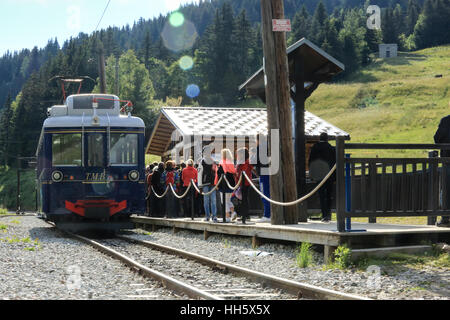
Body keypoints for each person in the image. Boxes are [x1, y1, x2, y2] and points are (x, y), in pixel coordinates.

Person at [309, 133, 336, 223]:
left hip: (319, 176)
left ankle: (324, 215)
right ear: (327, 139)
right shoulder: (332, 149)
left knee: (321, 195)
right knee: (329, 195)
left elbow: (311, 162)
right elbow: (335, 164)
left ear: (319, 138)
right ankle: (328, 214)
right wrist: (335, 177)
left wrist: (312, 175)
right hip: (329, 175)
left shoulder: (315, 148)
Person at [434, 115, 450, 227]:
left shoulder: (445, 121)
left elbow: (437, 138)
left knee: (446, 190)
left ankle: (445, 219)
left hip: (447, 160)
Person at [215, 149, 236, 223]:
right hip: (231, 183)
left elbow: (218, 174)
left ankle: (227, 216)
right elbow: (233, 171)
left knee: (224, 201)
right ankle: (233, 212)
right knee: (228, 200)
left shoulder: (222, 162)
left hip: (223, 183)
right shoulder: (231, 162)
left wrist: (216, 184)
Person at [255, 134, 271, 223]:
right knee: (268, 193)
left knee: (264, 193)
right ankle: (269, 213)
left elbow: (255, 161)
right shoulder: (269, 146)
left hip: (263, 172)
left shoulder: (260, 147)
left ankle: (267, 215)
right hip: (270, 172)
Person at [200, 146, 218, 223]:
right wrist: (200, 185)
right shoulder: (202, 161)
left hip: (213, 183)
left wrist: (217, 183)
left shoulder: (214, 161)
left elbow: (216, 172)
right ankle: (207, 216)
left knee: (213, 200)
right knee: (206, 200)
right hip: (205, 183)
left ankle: (214, 216)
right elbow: (199, 173)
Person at [236, 148, 254, 224]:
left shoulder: (247, 162)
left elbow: (246, 171)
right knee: (241, 200)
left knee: (245, 199)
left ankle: (246, 215)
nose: (237, 156)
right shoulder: (241, 162)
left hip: (245, 183)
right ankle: (243, 214)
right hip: (240, 183)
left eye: (239, 154)